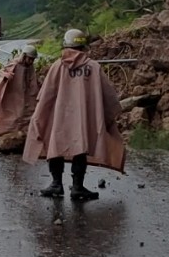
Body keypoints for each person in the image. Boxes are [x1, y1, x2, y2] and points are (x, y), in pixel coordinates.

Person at [22, 29, 125, 200]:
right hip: (84, 120)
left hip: (59, 118)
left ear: (65, 45)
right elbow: (109, 97)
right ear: (83, 46)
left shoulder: (58, 66)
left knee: (56, 147)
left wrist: (40, 116)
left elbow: (46, 95)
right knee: (80, 148)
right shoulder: (93, 67)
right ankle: (77, 187)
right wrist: (108, 118)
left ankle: (56, 184)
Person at [0, 45, 40, 135]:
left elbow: (32, 81)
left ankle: (24, 131)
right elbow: (2, 72)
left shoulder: (30, 67)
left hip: (24, 94)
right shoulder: (15, 64)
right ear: (24, 56)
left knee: (26, 112)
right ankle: (7, 131)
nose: (31, 61)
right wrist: (6, 75)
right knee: (11, 113)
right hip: (13, 94)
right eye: (30, 59)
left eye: (33, 59)